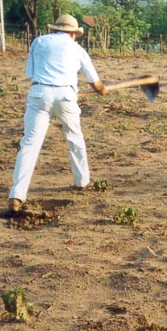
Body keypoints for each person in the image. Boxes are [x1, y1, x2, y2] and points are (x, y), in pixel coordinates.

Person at [8, 14, 107, 214]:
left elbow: (32, 73)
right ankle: (82, 181)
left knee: (29, 143)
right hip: (65, 96)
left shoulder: (38, 42)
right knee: (75, 138)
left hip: (39, 93)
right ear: (73, 33)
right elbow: (95, 83)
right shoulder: (78, 49)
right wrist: (101, 90)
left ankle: (16, 195)